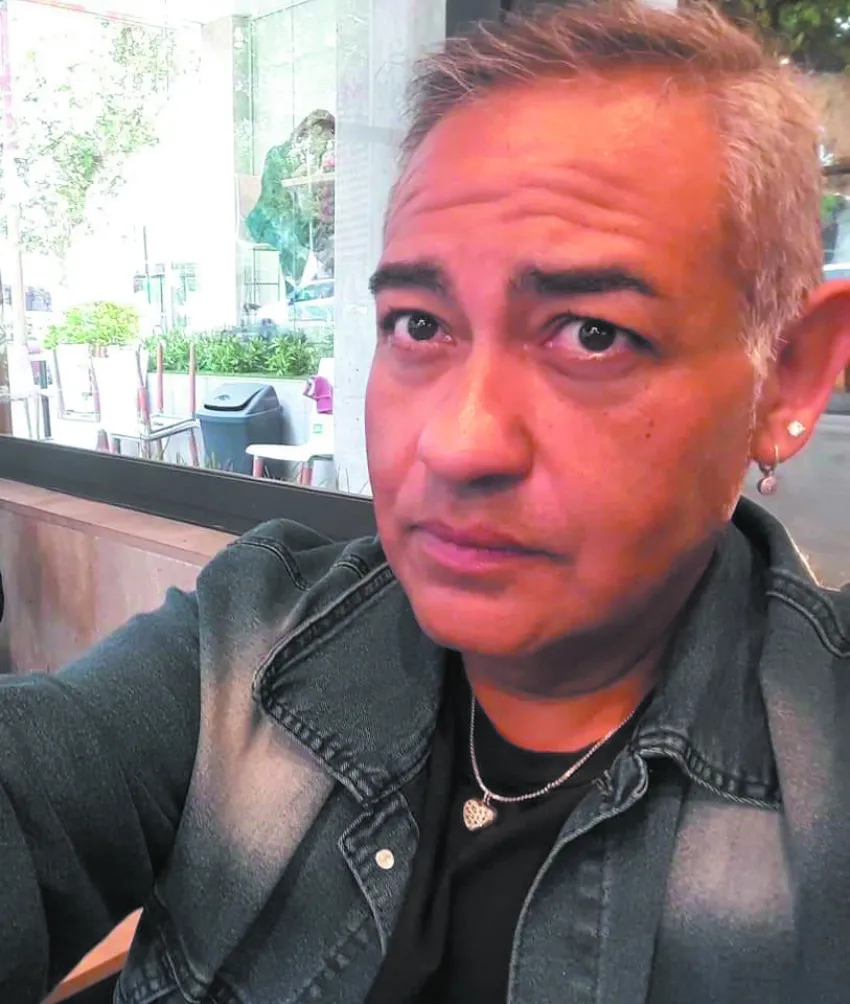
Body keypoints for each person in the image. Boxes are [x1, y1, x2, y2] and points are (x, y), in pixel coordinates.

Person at [3, 3, 850, 1002]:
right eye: (417, 324)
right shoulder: (250, 646)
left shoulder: (822, 772)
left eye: (590, 332)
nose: (457, 440)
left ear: (786, 377)